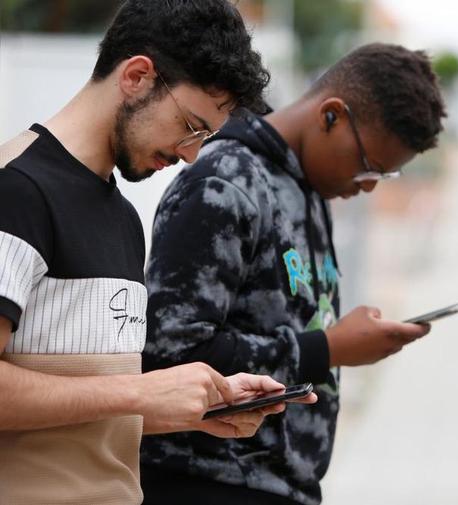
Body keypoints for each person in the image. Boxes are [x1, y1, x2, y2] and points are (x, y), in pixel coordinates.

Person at [0, 1, 315, 504]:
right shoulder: (17, 191)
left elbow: (82, 414)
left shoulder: (123, 217)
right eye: (191, 125)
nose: (191, 153)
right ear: (137, 76)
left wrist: (197, 405)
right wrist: (139, 393)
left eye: (207, 137)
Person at [140, 43, 447, 504]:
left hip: (283, 486)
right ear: (331, 116)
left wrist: (336, 342)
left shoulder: (307, 190)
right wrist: (328, 348)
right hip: (207, 481)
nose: (366, 187)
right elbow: (169, 352)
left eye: (382, 179)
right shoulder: (224, 182)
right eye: (370, 168)